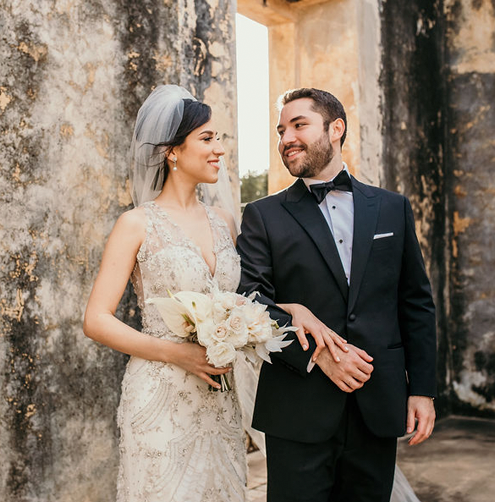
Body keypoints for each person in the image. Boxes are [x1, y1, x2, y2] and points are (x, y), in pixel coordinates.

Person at [82, 85, 342, 502]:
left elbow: (245, 297)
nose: (219, 148)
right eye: (206, 139)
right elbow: (96, 319)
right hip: (161, 392)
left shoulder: (225, 220)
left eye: (218, 138)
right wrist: (176, 352)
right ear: (172, 152)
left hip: (220, 399)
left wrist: (292, 309)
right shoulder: (135, 224)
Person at [236, 87, 437, 502]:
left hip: (377, 403)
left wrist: (422, 389)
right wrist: (317, 354)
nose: (286, 138)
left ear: (336, 128)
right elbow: (251, 301)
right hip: (298, 407)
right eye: (280, 130)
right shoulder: (263, 215)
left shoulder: (391, 208)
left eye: (299, 125)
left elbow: (415, 301)